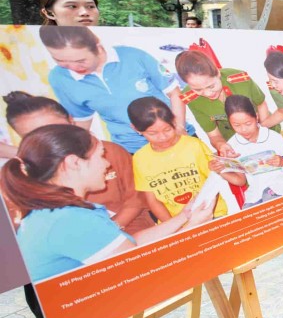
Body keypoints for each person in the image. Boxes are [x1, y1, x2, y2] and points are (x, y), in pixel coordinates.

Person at [2, 124, 213, 283]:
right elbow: (142, 269)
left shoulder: (55, 212)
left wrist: (184, 217)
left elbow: (128, 243)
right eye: (101, 156)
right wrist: (194, 227)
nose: (107, 164)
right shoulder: (69, 219)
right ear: (74, 163)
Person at [3, 92, 151, 236]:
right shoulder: (25, 174)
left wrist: (108, 233)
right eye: (35, 135)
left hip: (134, 233)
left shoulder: (109, 152)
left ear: (71, 120)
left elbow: (137, 199)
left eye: (56, 129)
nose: (50, 138)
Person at [41, 25, 187, 154]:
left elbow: (174, 92)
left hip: (176, 138)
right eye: (60, 61)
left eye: (80, 61)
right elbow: (82, 120)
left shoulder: (133, 56)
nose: (72, 68)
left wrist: (179, 128)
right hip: (131, 149)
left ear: (98, 47)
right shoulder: (60, 78)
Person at [127, 96, 229, 220]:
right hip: (173, 224)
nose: (163, 137)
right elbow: (153, 201)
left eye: (167, 130)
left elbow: (213, 182)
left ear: (174, 121)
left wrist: (207, 216)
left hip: (211, 215)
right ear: (135, 128)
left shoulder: (194, 145)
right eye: (152, 133)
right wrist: (173, 227)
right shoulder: (139, 158)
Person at [175, 50, 273, 156]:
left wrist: (263, 133)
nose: (207, 93)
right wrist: (222, 145)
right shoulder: (192, 99)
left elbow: (261, 104)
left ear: (217, 73)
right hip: (233, 141)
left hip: (264, 129)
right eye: (198, 90)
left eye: (211, 86)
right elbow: (213, 135)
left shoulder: (239, 79)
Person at [211, 95, 283, 207]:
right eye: (236, 125)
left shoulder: (273, 137)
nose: (243, 129)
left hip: (281, 188)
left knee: (271, 206)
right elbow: (241, 181)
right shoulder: (232, 145)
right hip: (254, 195)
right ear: (230, 123)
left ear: (256, 117)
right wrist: (220, 171)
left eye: (248, 124)